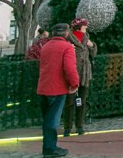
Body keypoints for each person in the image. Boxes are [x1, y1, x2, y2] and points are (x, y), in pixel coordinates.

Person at [38, 23, 79, 158]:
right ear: (66, 33)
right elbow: (69, 68)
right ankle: (50, 148)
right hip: (58, 88)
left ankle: (48, 146)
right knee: (53, 120)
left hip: (44, 87)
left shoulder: (45, 46)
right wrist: (74, 84)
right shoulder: (67, 47)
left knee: (47, 119)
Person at [63, 18, 97, 137]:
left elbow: (93, 53)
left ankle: (79, 126)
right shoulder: (69, 38)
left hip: (85, 74)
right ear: (79, 26)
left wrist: (92, 46)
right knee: (70, 102)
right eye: (84, 25)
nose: (86, 27)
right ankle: (67, 127)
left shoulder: (86, 37)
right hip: (73, 74)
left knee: (82, 101)